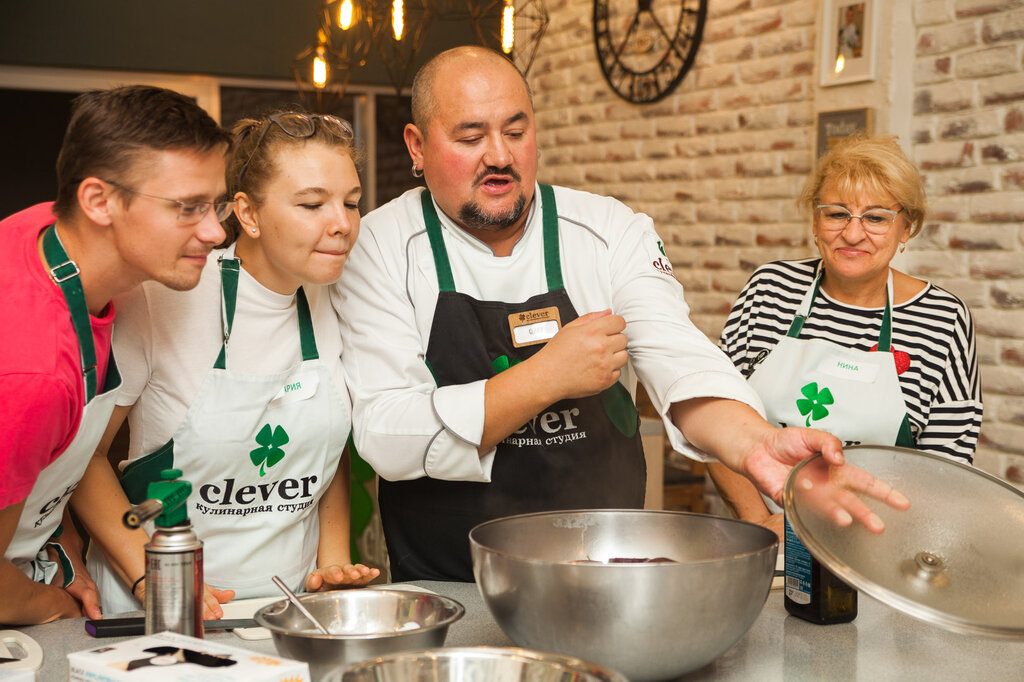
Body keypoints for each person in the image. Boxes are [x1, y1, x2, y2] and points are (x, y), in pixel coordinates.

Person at [332, 46, 906, 583]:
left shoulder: (610, 230)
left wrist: (755, 444)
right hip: (449, 587)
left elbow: (676, 354)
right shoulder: (378, 246)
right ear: (416, 146)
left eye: (516, 131)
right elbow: (386, 431)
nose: (500, 156)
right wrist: (544, 376)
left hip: (602, 578)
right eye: (471, 136)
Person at [72, 108, 379, 618]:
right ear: (248, 214)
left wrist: (332, 562)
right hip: (161, 608)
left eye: (351, 202)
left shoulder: (337, 296)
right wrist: (152, 576)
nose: (342, 224)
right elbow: (83, 459)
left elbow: (326, 451)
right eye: (312, 204)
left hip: (290, 609)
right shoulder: (165, 296)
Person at [0, 85, 232, 624]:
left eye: (215, 204)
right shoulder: (34, 370)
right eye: (187, 208)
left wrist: (59, 546)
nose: (216, 231)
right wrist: (59, 607)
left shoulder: (46, 230)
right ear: (99, 201)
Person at [709, 134, 982, 538]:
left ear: (906, 228)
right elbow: (713, 408)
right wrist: (761, 523)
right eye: (837, 214)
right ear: (815, 222)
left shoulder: (943, 317)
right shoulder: (770, 289)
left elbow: (947, 470)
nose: (853, 234)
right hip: (764, 538)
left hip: (879, 543)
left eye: (876, 218)